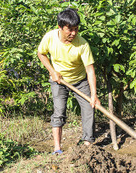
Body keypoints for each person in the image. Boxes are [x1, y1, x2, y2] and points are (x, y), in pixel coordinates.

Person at [37, 8, 100, 154]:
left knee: (88, 109)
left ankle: (87, 146)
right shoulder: (50, 37)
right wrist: (52, 72)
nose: (73, 33)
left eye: (76, 29)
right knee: (59, 112)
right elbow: (41, 53)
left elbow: (90, 70)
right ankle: (57, 148)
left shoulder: (82, 44)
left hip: (80, 80)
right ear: (60, 27)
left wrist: (94, 95)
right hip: (59, 81)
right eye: (70, 30)